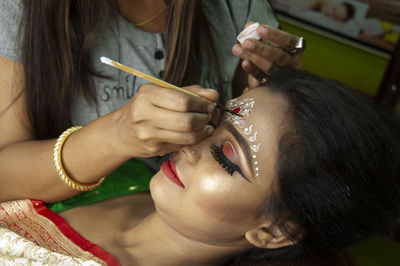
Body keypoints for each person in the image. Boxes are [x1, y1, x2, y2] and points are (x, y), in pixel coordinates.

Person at [1, 68, 399, 265]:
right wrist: (116, 134)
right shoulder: (137, 178)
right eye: (214, 119)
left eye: (227, 156)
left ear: (276, 230)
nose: (190, 143)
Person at [0, 0, 304, 204]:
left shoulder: (237, 7)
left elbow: (247, 118)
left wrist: (274, 91)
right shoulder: (26, 9)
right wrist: (116, 136)